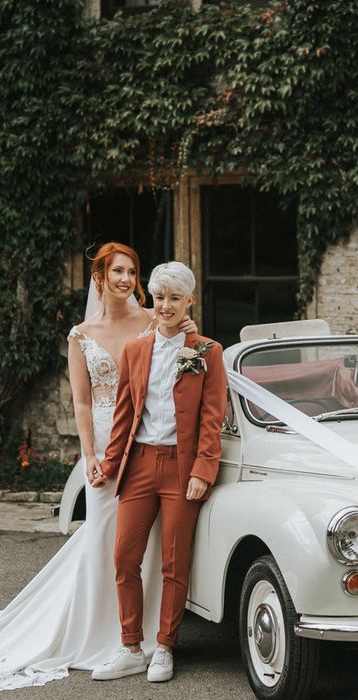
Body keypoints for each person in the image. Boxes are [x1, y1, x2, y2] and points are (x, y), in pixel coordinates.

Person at [0, 243, 197, 694]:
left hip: (147, 444)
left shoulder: (151, 320)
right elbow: (81, 400)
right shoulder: (81, 335)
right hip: (103, 442)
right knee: (107, 539)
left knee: (152, 542)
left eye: (132, 271)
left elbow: (182, 344)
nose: (126, 279)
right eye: (117, 271)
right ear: (99, 276)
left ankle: (147, 636)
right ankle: (102, 634)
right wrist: (90, 455)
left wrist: (188, 328)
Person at [90, 261, 226, 684]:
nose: (165, 306)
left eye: (174, 298)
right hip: (140, 466)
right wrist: (110, 464)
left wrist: (203, 469)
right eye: (159, 297)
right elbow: (124, 415)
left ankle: (165, 646)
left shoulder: (207, 351)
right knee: (124, 557)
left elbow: (212, 418)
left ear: (189, 299)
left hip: (183, 469)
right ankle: (131, 646)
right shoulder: (135, 349)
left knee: (174, 561)